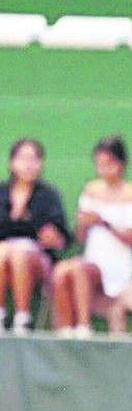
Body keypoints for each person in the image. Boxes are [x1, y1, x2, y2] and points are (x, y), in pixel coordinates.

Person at [50, 137, 132, 337]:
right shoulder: (91, 190)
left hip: (117, 267)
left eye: (109, 164)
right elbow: (81, 237)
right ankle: (65, 329)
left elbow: (131, 238)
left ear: (122, 164)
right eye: (100, 165)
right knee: (62, 271)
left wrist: (104, 222)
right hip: (93, 260)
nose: (104, 170)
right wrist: (83, 223)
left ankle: (85, 327)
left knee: (78, 268)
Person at [0, 139, 71, 335]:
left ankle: (23, 319)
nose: (28, 164)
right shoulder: (2, 192)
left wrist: (51, 236)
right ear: (12, 163)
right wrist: (16, 215)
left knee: (20, 252)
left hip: (37, 258)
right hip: (4, 254)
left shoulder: (48, 195)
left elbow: (60, 234)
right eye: (23, 158)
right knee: (4, 251)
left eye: (34, 159)